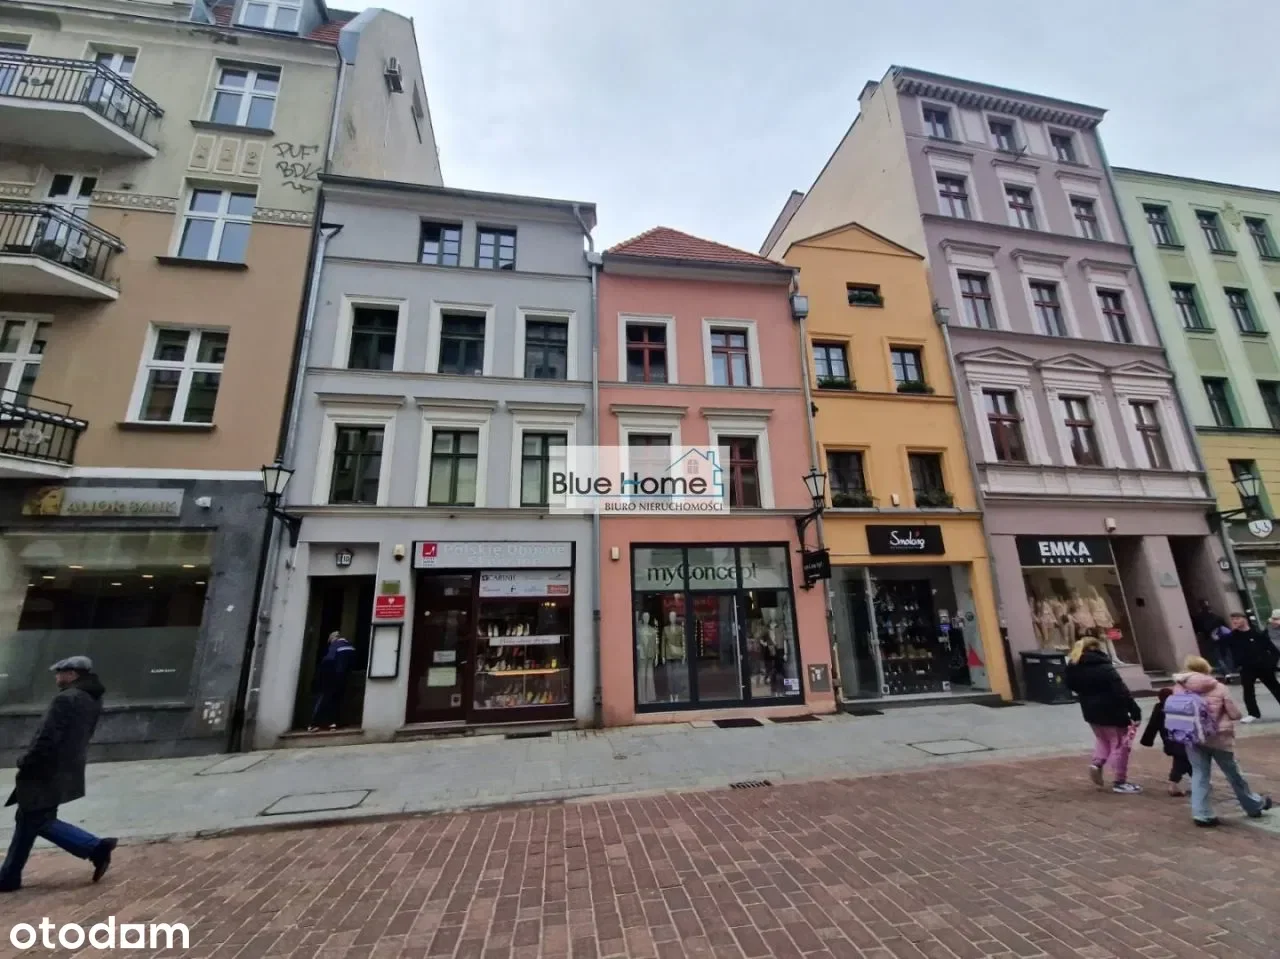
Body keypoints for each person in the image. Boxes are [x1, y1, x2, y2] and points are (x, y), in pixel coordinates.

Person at [0, 657, 117, 893]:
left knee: (36, 819)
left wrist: (26, 761)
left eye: (60, 672)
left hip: (45, 769)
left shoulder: (66, 699)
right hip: (65, 767)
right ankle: (9, 876)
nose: (56, 677)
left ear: (72, 674)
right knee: (28, 818)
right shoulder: (92, 698)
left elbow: (47, 737)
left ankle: (95, 847)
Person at [1170, 655, 1273, 827]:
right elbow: (1234, 714)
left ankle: (1202, 814)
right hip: (1219, 737)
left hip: (1193, 737)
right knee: (1234, 774)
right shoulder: (1218, 687)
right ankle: (1253, 805)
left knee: (1199, 774)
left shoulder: (1179, 687)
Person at [1064, 637, 1143, 794]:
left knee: (1103, 739)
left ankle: (1097, 763)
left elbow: (1070, 686)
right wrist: (1134, 710)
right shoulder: (1104, 666)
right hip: (1112, 710)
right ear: (1097, 648)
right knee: (1120, 744)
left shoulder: (1074, 666)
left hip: (1090, 711)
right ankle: (1120, 781)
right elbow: (1121, 690)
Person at [1223, 612, 1280, 723]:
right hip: (1246, 667)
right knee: (1248, 690)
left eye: (1237, 618)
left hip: (1264, 666)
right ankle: (1253, 713)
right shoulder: (1232, 636)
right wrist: (1236, 665)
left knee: (1275, 688)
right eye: (1233, 619)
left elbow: (1273, 650)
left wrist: (1271, 664)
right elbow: (1229, 653)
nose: (1235, 621)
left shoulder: (1257, 634)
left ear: (1244, 619)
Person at [1139, 688, 1191, 796]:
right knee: (1182, 761)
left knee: (1187, 760)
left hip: (1169, 742)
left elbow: (1152, 725)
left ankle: (1199, 782)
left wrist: (1147, 740)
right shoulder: (1178, 707)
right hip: (1182, 740)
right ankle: (1173, 785)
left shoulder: (1159, 708)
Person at [308, 631, 357, 731]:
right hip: (343, 679)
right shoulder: (351, 647)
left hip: (330, 678)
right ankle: (333, 723)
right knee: (337, 701)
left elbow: (328, 662)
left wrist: (319, 679)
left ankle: (314, 724)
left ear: (333, 639)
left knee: (323, 700)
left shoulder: (334, 646)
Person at [1191, 599, 1231, 675]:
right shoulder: (1217, 617)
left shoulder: (1199, 618)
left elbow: (1198, 629)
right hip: (1222, 638)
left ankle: (1225, 671)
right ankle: (1229, 670)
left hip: (1209, 639)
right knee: (1224, 654)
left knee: (1216, 656)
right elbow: (1225, 627)